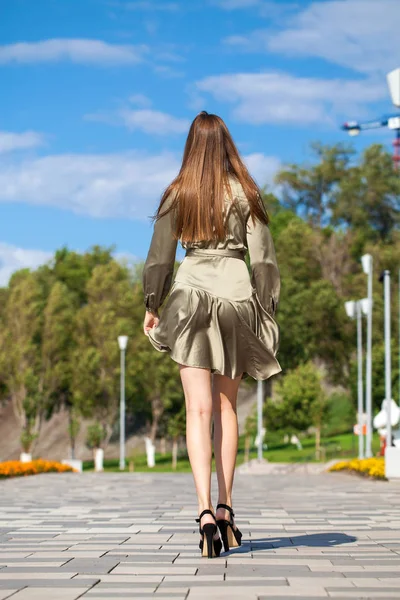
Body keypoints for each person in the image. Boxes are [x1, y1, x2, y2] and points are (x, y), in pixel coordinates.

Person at [142, 111, 281, 558]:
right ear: (226, 144)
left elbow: (160, 258)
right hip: (237, 299)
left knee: (197, 412)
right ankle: (225, 509)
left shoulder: (178, 192)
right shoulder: (247, 192)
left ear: (191, 146)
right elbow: (263, 260)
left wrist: (152, 304)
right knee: (227, 410)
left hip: (190, 298)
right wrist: (267, 308)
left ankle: (203, 515)